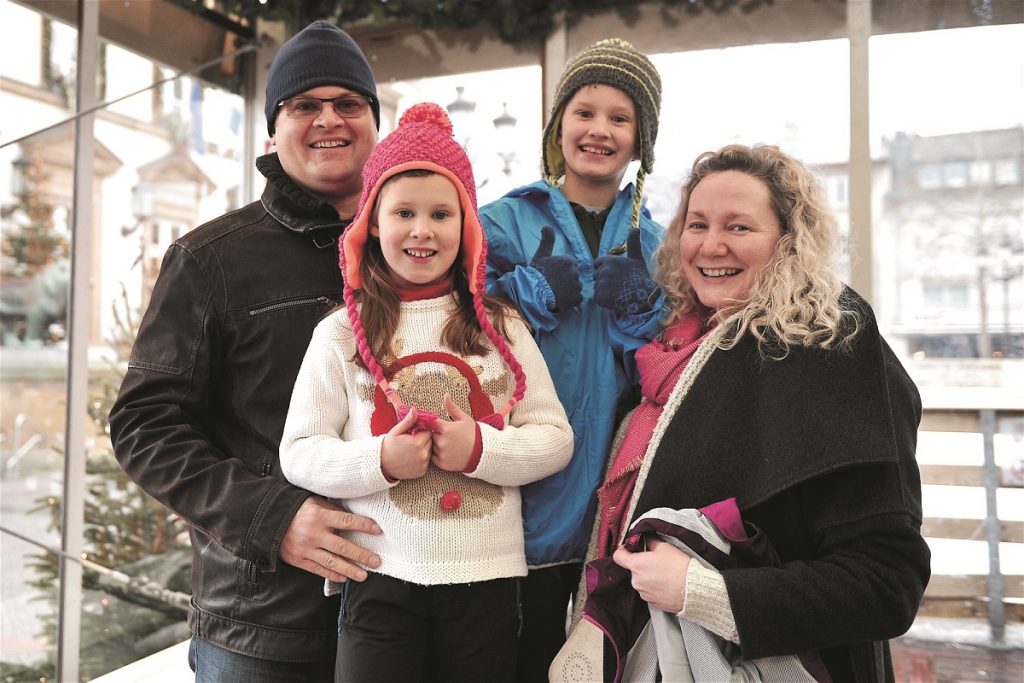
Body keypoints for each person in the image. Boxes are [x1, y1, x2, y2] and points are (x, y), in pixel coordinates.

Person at [554, 144, 931, 683]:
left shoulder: (827, 345)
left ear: (788, 241)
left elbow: (886, 584)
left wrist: (703, 592)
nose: (711, 245)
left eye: (739, 227)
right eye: (697, 224)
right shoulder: (673, 349)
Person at [108, 21, 384, 683]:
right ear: (273, 128)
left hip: (406, 606)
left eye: (349, 103)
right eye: (304, 105)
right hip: (264, 625)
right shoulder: (210, 259)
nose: (329, 119)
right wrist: (271, 517)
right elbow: (144, 425)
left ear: (376, 122)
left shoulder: (417, 250)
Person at [278, 102, 574, 682]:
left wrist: (482, 451)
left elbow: (555, 438)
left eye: (442, 213)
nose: (422, 230)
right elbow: (299, 450)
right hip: (378, 579)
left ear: (466, 227)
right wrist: (380, 459)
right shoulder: (340, 332)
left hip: (486, 582)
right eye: (403, 212)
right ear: (372, 225)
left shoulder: (502, 326)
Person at [479, 37, 665, 680]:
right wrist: (520, 292)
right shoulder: (503, 221)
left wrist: (648, 308)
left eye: (621, 118)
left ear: (641, 139)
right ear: (560, 123)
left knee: (587, 657)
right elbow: (455, 313)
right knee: (507, 652)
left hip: (611, 484)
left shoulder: (657, 242)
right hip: (512, 481)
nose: (600, 130)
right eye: (585, 111)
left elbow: (678, 355)